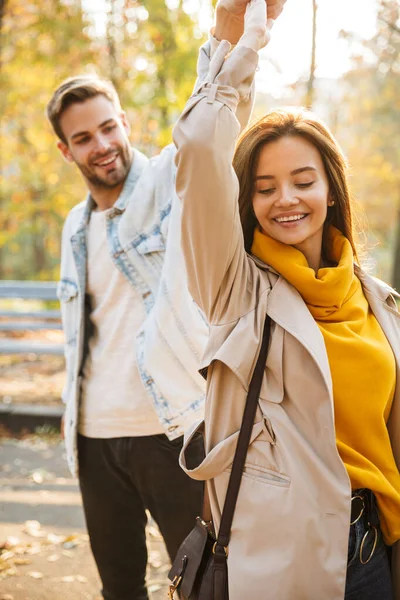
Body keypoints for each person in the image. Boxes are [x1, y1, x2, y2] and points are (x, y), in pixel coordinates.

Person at [46, 2, 287, 599]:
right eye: (83, 138)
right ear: (66, 151)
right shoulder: (73, 229)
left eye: (108, 127)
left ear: (123, 122)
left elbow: (212, 125)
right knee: (120, 586)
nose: (101, 145)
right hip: (95, 438)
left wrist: (232, 31)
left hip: (174, 429)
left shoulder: (165, 183)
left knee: (206, 581)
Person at [172, 0, 400, 598]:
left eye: (303, 181)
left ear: (331, 188)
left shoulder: (378, 302)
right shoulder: (235, 289)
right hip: (279, 564)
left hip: (375, 552)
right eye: (265, 188)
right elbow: (199, 151)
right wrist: (234, 46)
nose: (286, 200)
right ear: (246, 202)